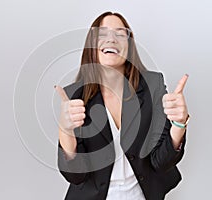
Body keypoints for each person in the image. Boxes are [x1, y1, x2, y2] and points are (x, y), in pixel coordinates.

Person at [55, 11, 190, 200]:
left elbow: (161, 162)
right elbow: (76, 176)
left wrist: (179, 124)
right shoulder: (75, 96)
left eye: (120, 34)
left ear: (129, 47)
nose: (111, 39)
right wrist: (65, 130)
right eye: (102, 34)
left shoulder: (153, 86)